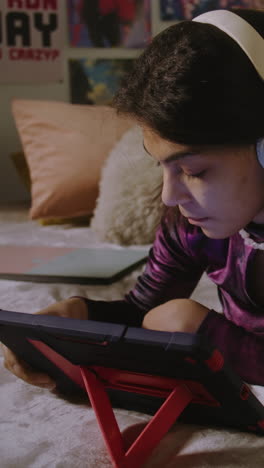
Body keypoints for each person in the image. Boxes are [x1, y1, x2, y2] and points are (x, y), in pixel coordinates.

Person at [2, 8, 264, 391]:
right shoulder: (189, 227)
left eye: (194, 170)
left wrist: (198, 333)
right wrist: (79, 314)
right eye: (161, 166)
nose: (170, 196)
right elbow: (142, 311)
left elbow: (170, 320)